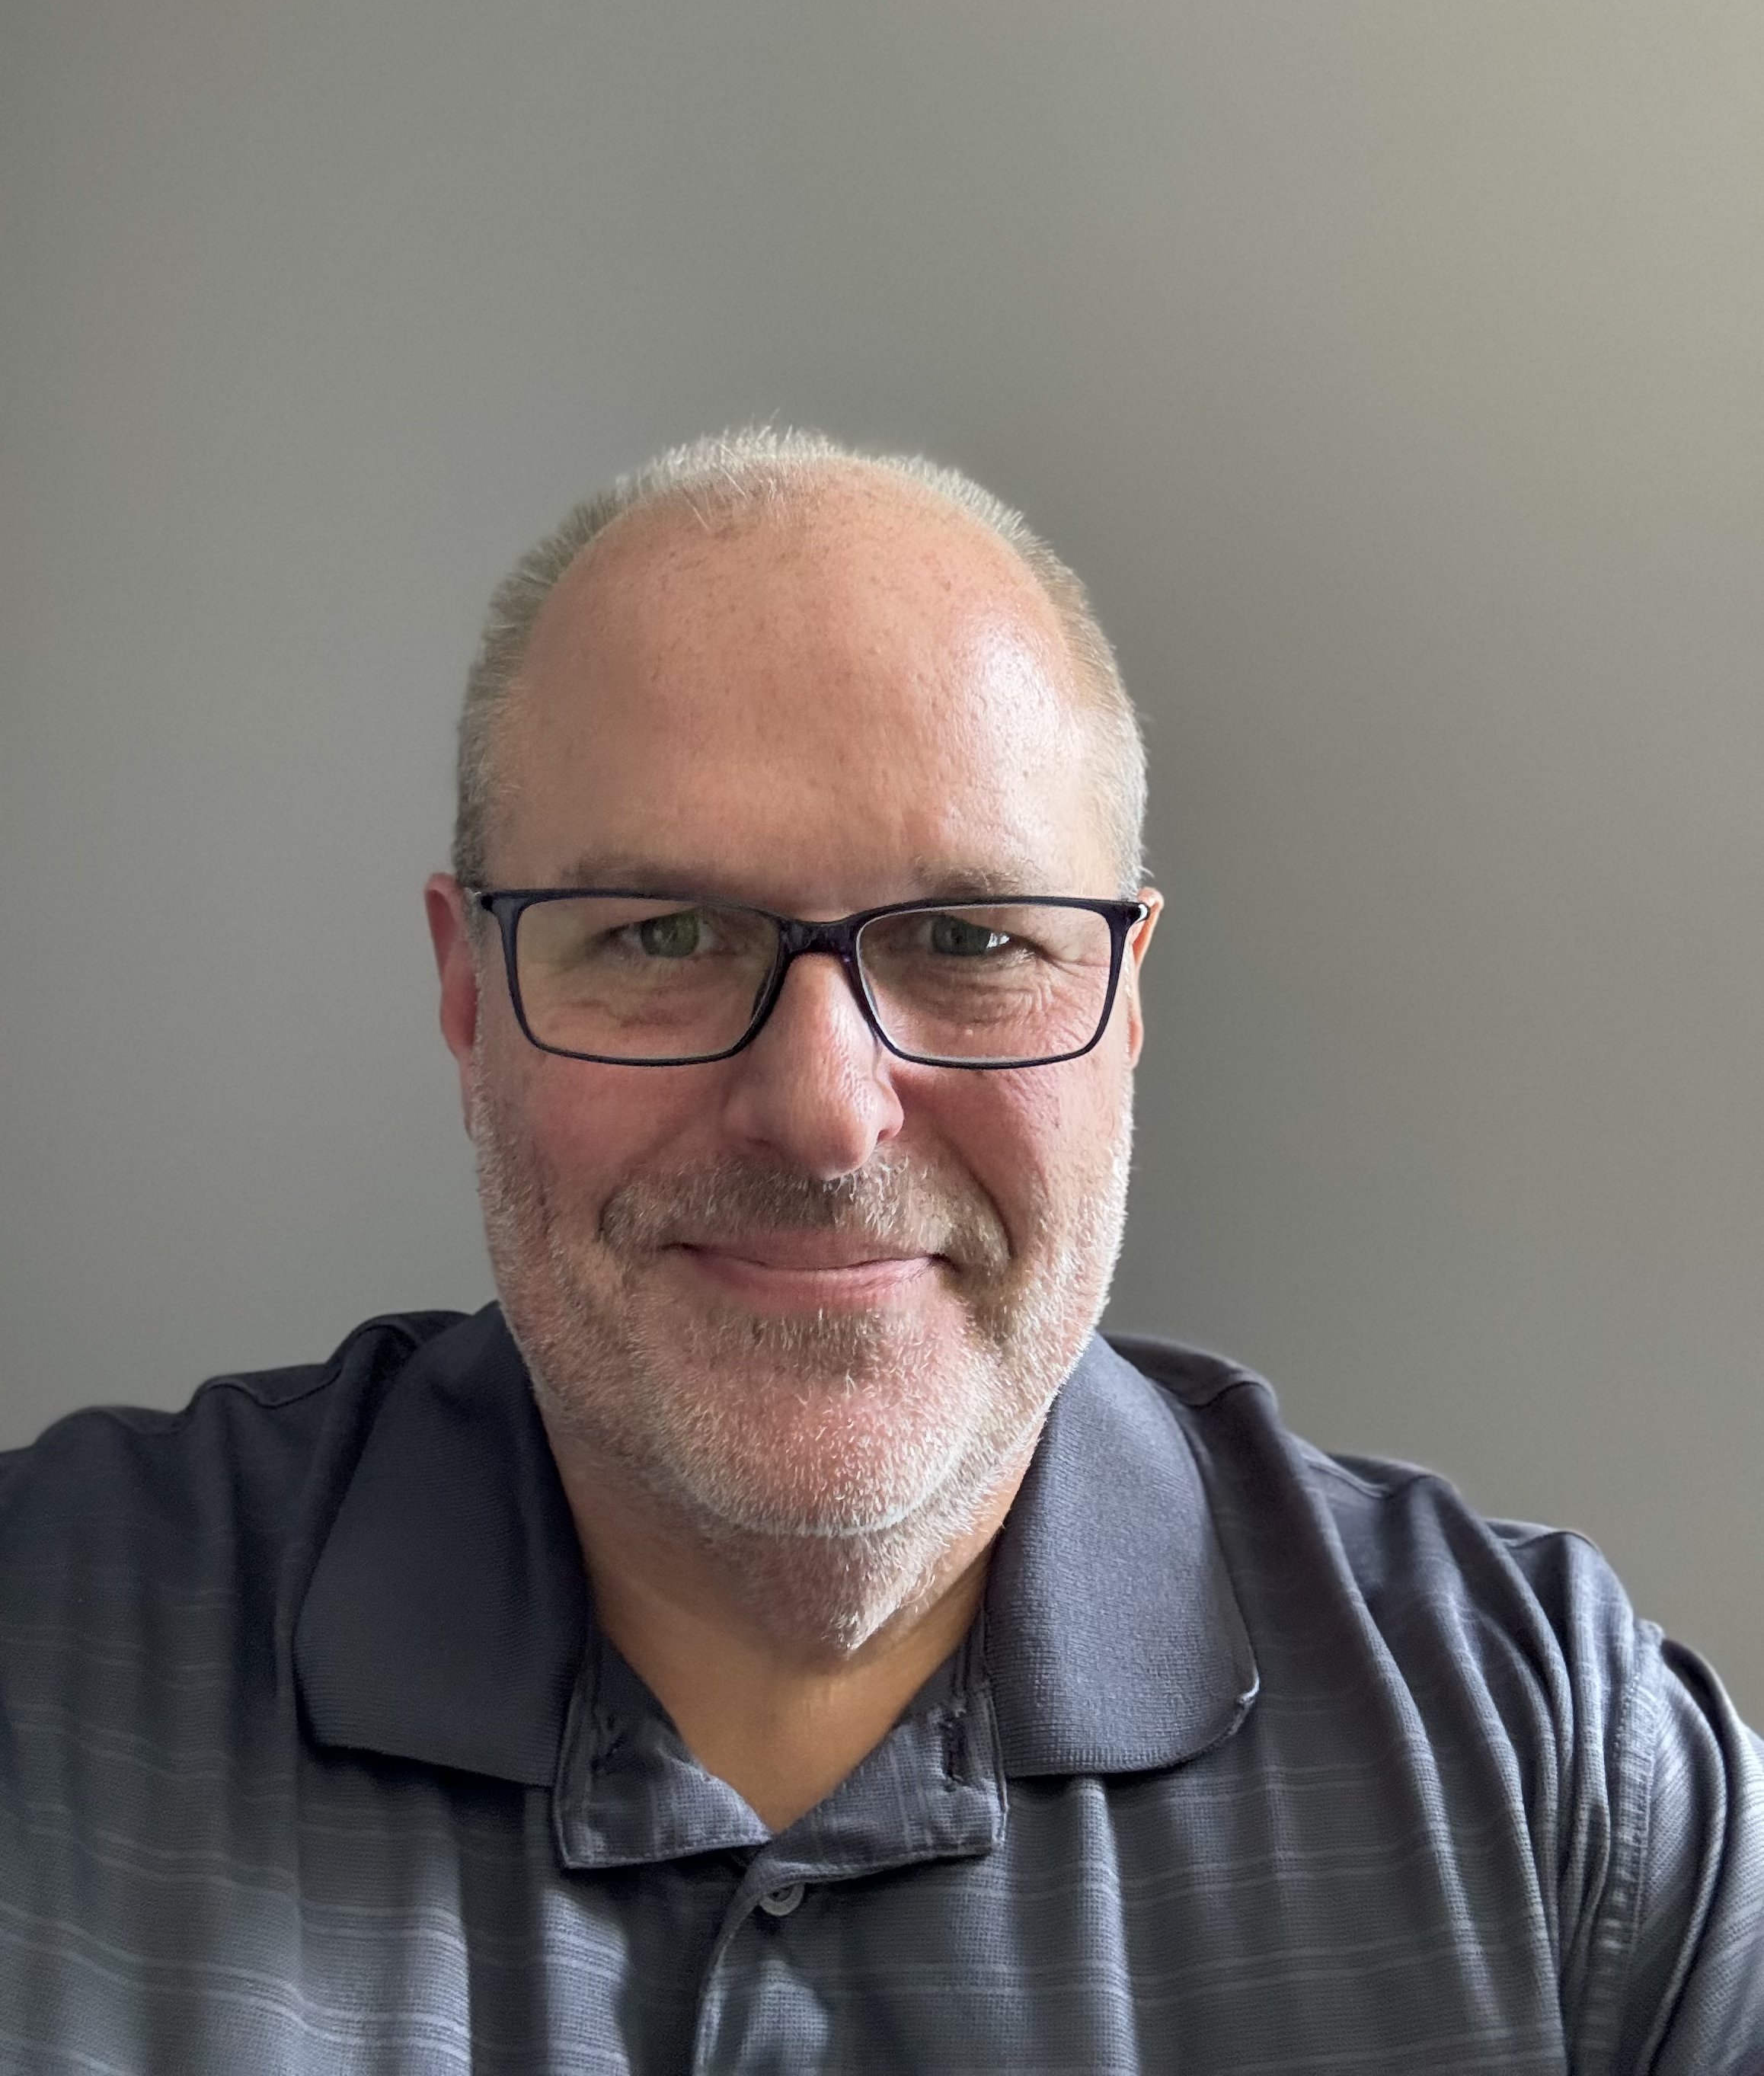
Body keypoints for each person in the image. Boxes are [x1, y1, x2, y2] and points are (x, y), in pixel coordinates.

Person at [1, 430, 1759, 2074]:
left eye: (973, 938)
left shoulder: (1563, 1778)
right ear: (470, 990)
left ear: (1124, 1000)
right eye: (662, 931)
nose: (825, 1111)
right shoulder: (47, 1665)